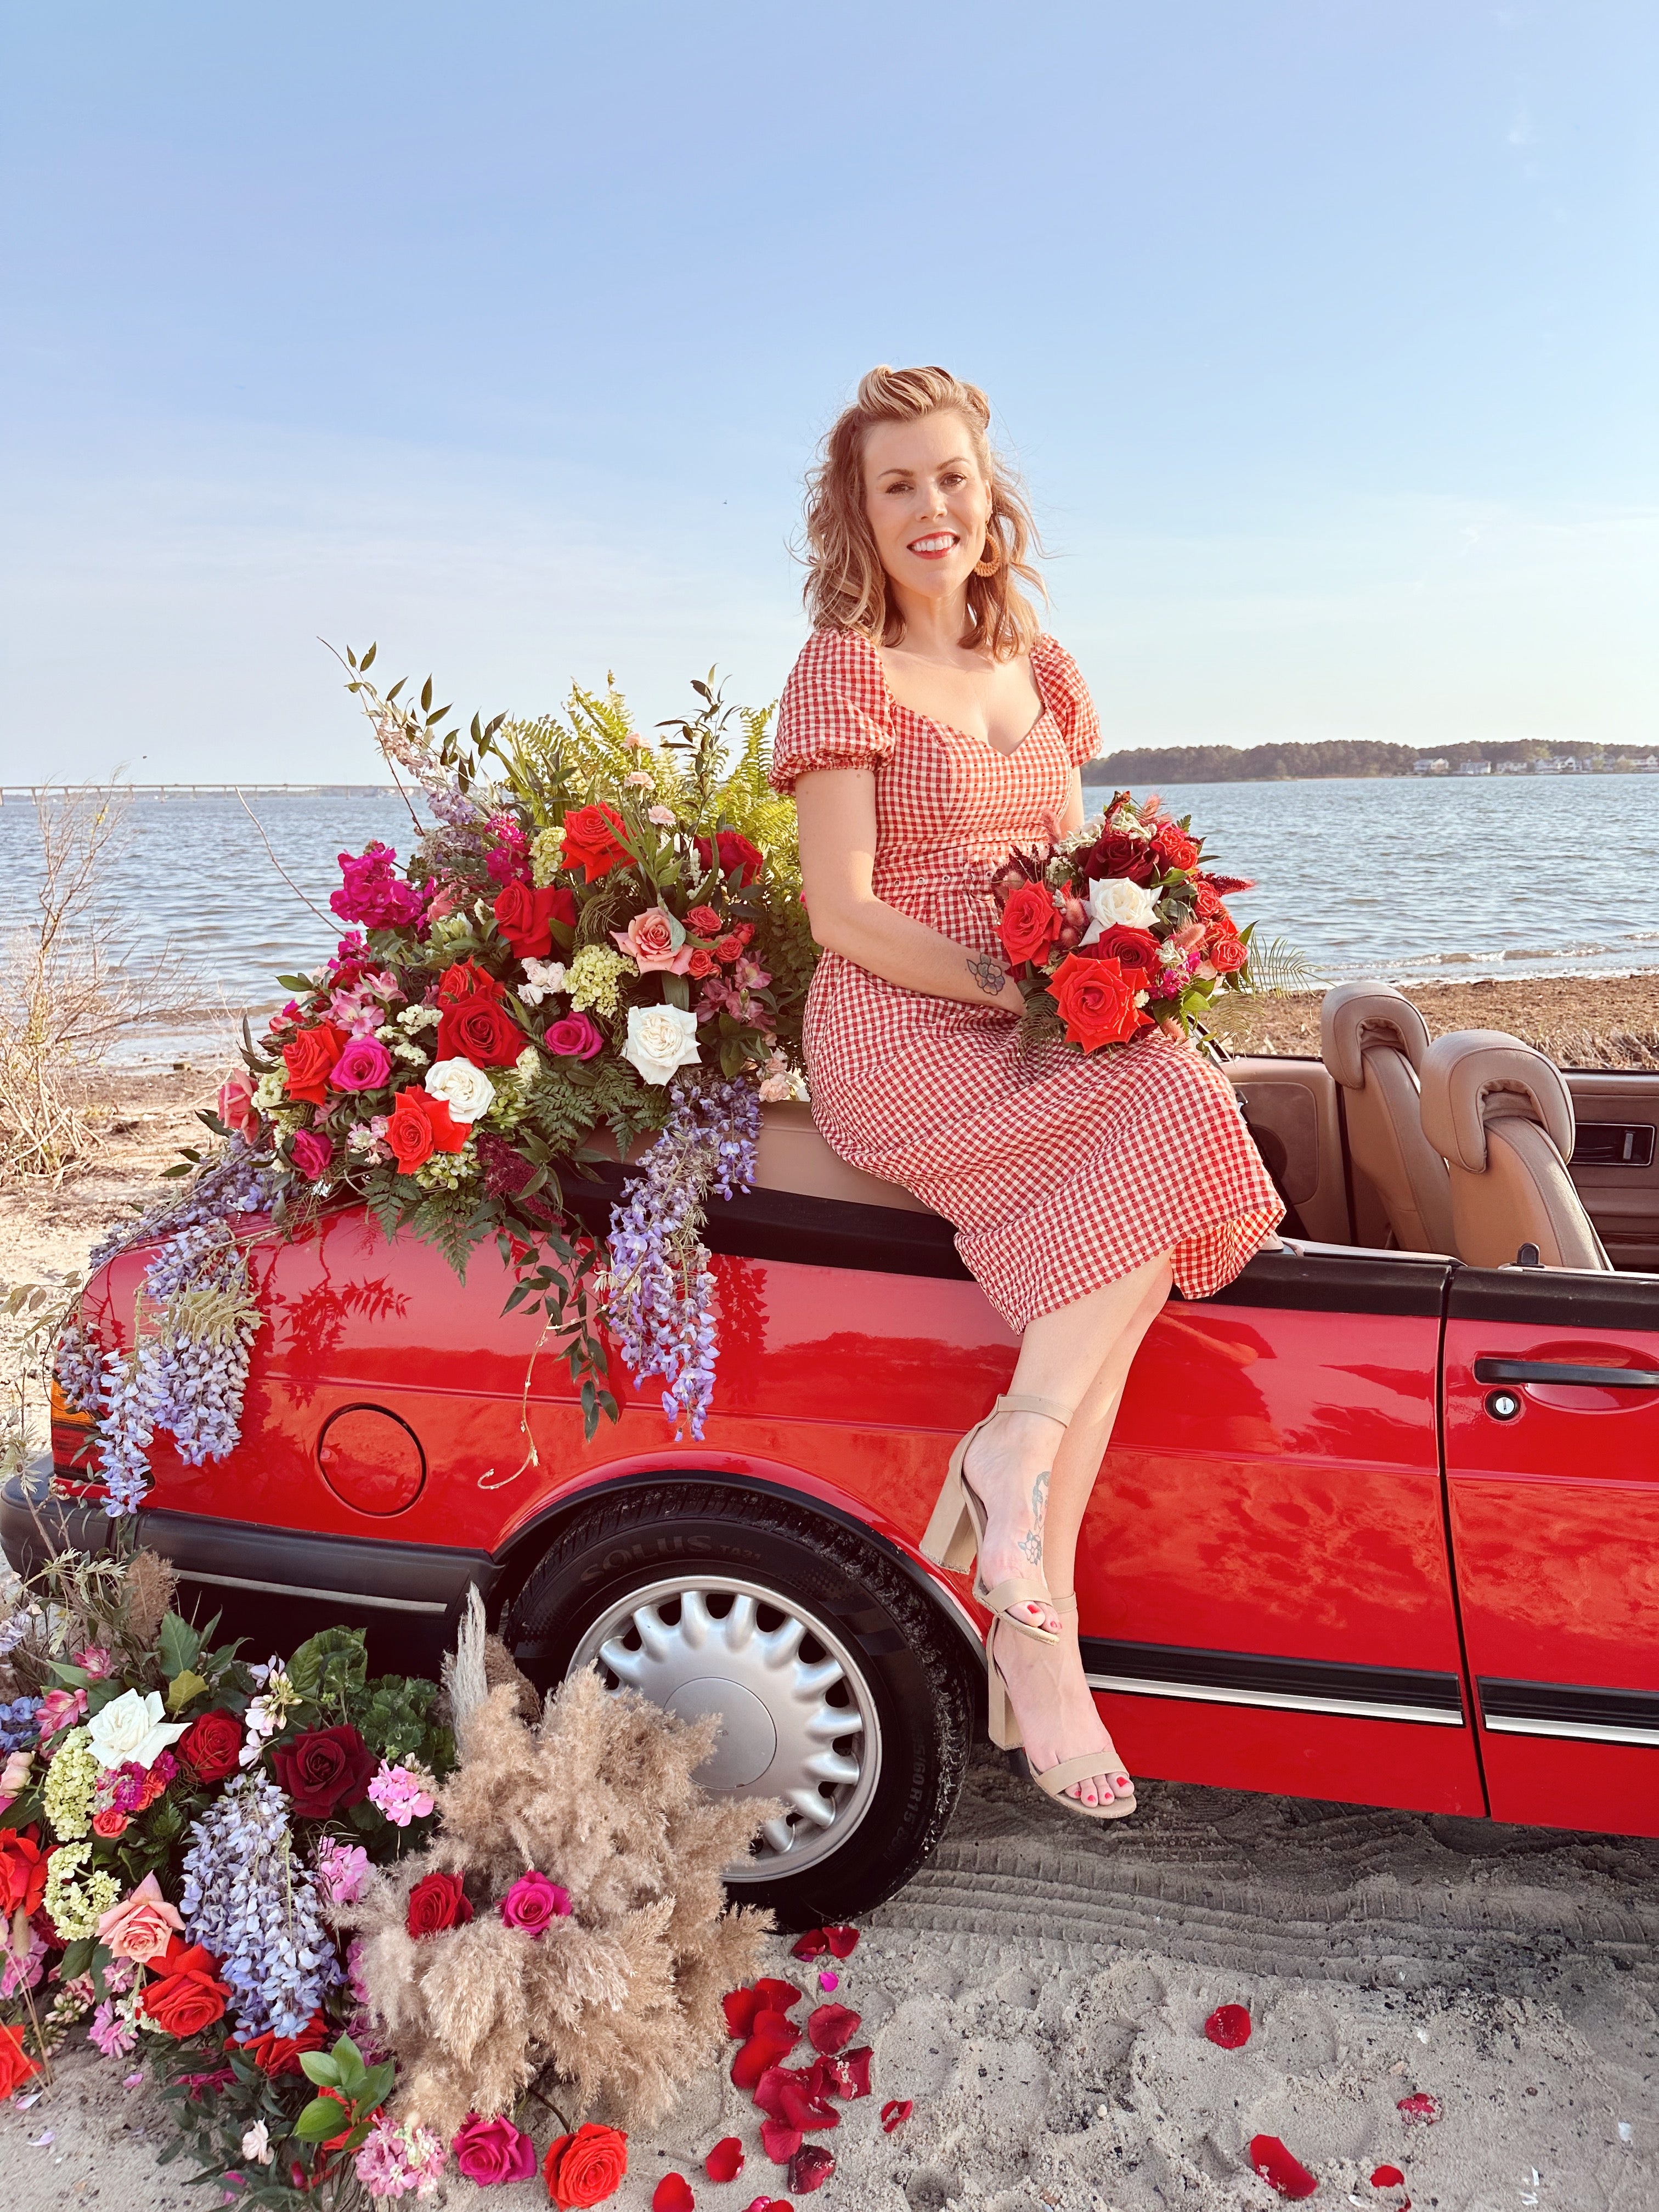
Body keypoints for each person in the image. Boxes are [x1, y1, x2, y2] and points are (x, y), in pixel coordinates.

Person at [768, 365, 1283, 1819]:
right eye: (897, 487)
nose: (932, 509)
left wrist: (1127, 950)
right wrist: (1017, 992)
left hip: (1034, 1020)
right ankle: (1018, 1510)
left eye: (950, 477)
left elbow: (1075, 873)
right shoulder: (843, 671)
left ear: (991, 498)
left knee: (1160, 1149)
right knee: (1175, 1137)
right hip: (899, 1032)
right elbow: (845, 913)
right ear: (859, 519)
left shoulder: (1041, 669)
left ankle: (1023, 1570)